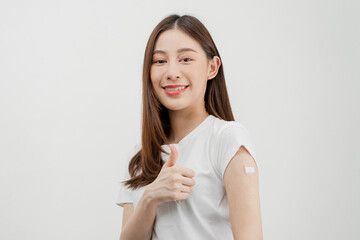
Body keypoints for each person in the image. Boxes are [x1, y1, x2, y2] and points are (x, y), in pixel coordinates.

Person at [116, 14, 263, 240]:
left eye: (185, 59)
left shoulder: (228, 140)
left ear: (212, 67)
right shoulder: (142, 155)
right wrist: (150, 198)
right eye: (160, 61)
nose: (172, 72)